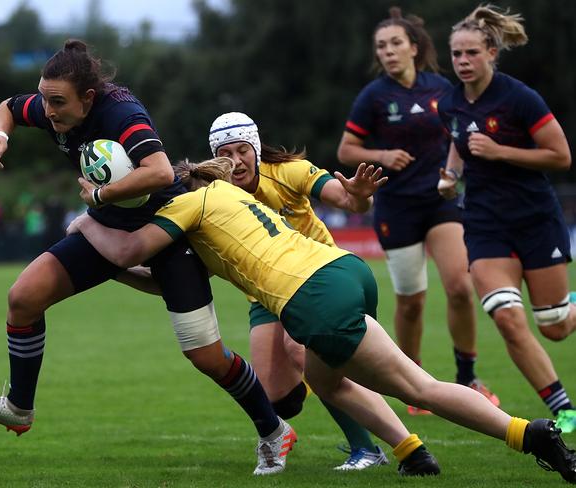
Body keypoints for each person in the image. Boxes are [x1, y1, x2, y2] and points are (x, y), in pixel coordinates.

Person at [68, 156, 576, 483]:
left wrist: (88, 217)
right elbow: (164, 281)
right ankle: (411, 452)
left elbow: (130, 247)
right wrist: (118, 272)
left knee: (417, 387)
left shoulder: (185, 205)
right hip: (342, 272)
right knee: (326, 382)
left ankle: (531, 435)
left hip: (313, 299)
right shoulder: (224, 197)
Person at [0, 39, 296, 476]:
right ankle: (19, 408)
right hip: (111, 222)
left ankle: (273, 430)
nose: (48, 110)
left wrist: (99, 194)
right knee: (23, 297)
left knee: (205, 355)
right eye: (44, 98)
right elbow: (7, 106)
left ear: (88, 98)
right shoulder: (52, 105)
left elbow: (160, 172)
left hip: (167, 227)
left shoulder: (121, 113)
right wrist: (0, 133)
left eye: (56, 102)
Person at [208, 111, 393, 471]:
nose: (235, 161)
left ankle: (368, 449)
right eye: (225, 153)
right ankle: (319, 381)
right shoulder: (217, 193)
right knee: (278, 397)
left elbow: (344, 197)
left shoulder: (289, 171)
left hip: (320, 280)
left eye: (242, 149)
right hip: (265, 294)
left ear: (256, 148)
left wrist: (360, 198)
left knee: (303, 350)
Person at [336, 7, 499, 415]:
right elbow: (346, 151)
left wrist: (453, 171)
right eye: (381, 47)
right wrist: (383, 154)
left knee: (460, 287)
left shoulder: (442, 88)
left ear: (413, 47)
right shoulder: (373, 96)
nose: (388, 52)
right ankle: (414, 384)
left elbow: (461, 134)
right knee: (411, 302)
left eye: (395, 44)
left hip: (441, 203)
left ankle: (468, 377)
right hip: (397, 208)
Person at [436, 5, 576, 434]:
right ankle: (564, 410)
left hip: (536, 220)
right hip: (484, 225)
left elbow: (561, 156)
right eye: (457, 54)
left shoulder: (520, 97)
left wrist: (501, 152)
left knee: (554, 328)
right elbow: (461, 140)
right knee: (507, 318)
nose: (462, 61)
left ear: (492, 52)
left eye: (471, 53)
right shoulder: (450, 102)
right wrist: (450, 174)